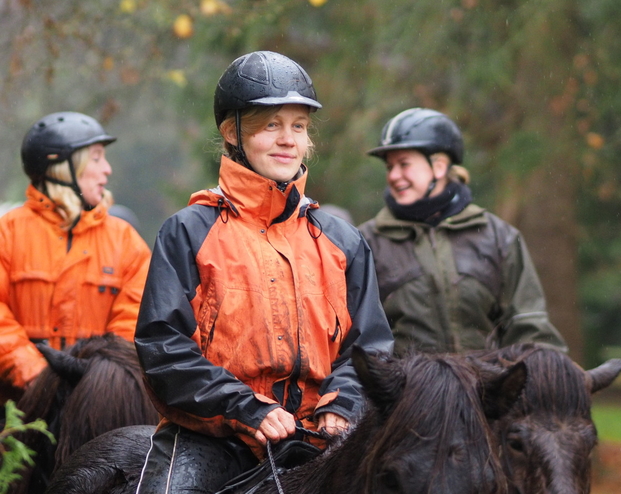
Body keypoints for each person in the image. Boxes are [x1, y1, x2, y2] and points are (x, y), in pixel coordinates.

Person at [134, 51, 393, 494]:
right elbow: (162, 347)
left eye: (298, 126)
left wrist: (343, 402)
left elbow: (369, 348)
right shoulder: (188, 230)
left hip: (320, 436)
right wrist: (245, 408)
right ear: (233, 132)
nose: (287, 139)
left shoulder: (343, 240)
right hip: (213, 436)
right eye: (271, 124)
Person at [358, 107, 567, 356]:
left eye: (404, 164)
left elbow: (530, 329)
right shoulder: (364, 243)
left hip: (486, 391)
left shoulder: (499, 238)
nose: (394, 176)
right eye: (389, 166)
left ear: (439, 167)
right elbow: (358, 342)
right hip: (405, 394)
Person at [0, 111, 151, 403]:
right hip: (15, 411)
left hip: (97, 405)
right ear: (60, 167)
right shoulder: (7, 233)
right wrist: (37, 376)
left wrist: (92, 381)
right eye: (95, 158)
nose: (107, 169)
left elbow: (132, 323)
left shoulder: (125, 240)